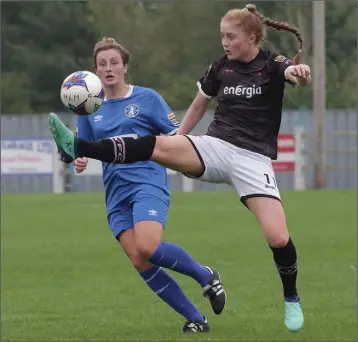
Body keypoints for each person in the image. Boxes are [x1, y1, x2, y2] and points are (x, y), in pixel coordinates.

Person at [49, 4, 311, 333]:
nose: (225, 42)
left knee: (277, 236)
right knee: (155, 147)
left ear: (252, 37)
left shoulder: (272, 64)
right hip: (214, 146)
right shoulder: (219, 68)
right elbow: (199, 104)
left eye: (230, 36)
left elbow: (291, 71)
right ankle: (194, 316)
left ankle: (291, 298)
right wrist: (181, 140)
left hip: (252, 159)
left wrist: (298, 73)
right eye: (222, 37)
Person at [55, 37, 227, 333]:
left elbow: (176, 138)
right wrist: (77, 158)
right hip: (116, 192)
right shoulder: (89, 107)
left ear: (124, 66)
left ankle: (205, 275)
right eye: (101, 64)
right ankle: (196, 319)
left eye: (113, 63)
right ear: (95, 71)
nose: (108, 69)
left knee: (147, 246)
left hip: (147, 183)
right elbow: (81, 146)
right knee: (139, 259)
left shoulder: (147, 99)